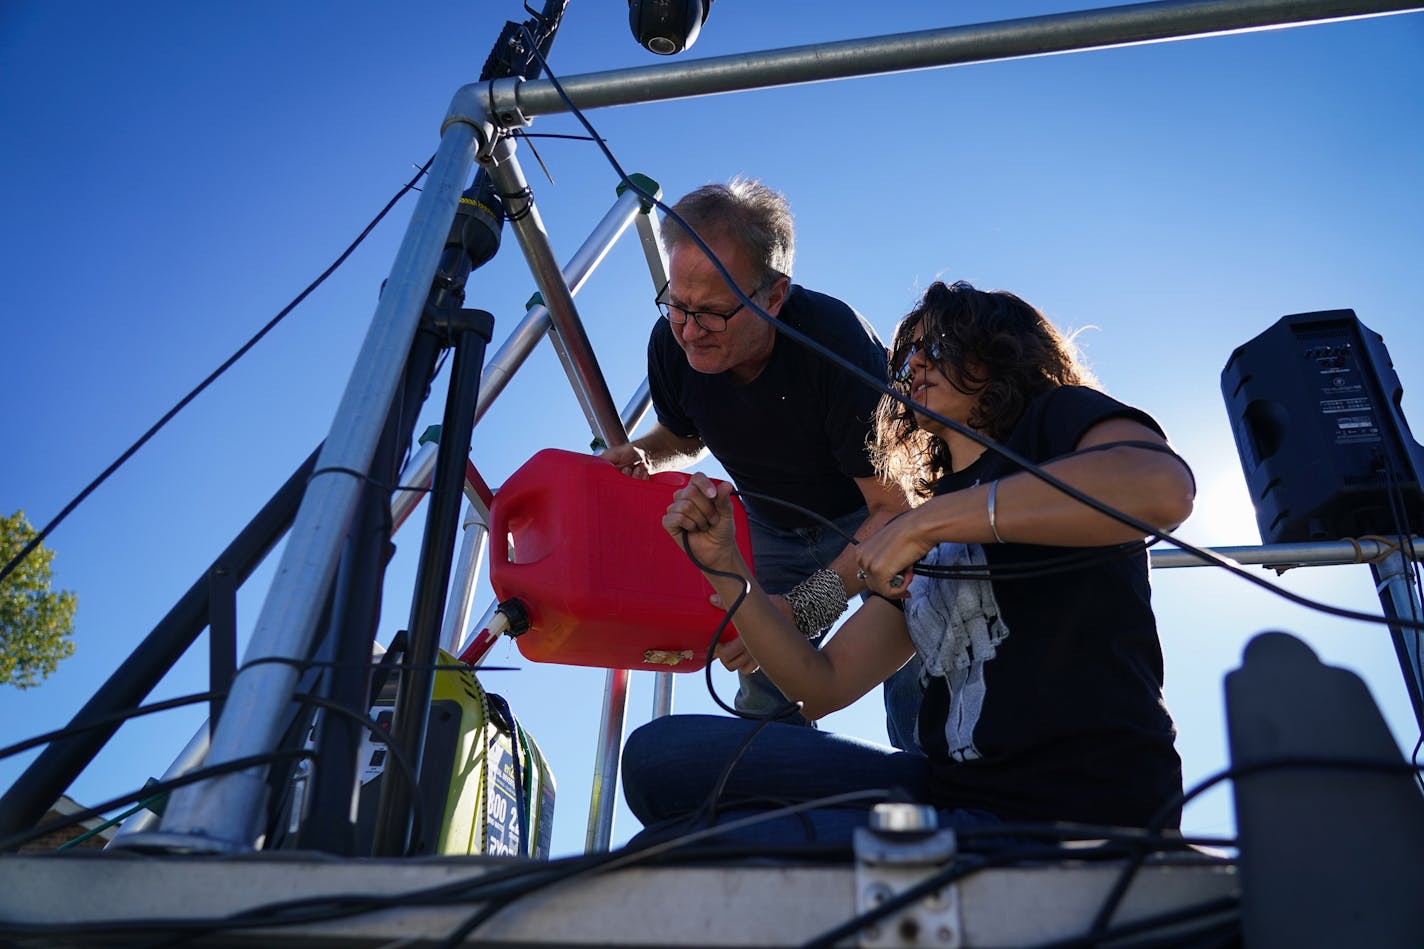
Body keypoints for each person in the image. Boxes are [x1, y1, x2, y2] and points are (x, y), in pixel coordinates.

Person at [621, 280, 1195, 846]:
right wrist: (728, 567)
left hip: (1081, 807)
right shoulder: (932, 518)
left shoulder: (1054, 425)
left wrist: (924, 522)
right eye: (908, 353)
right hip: (950, 793)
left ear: (999, 351)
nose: (915, 363)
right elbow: (822, 686)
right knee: (660, 759)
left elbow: (1160, 487)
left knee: (682, 851)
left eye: (938, 345)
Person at [602, 178, 917, 743]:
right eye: (677, 305)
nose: (690, 332)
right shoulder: (672, 340)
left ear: (773, 297)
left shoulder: (834, 345)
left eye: (713, 314)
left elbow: (894, 510)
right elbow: (684, 434)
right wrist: (645, 456)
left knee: (919, 649)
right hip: (771, 527)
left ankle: (934, 788)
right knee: (764, 685)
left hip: (866, 516)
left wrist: (806, 604)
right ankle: (762, 805)